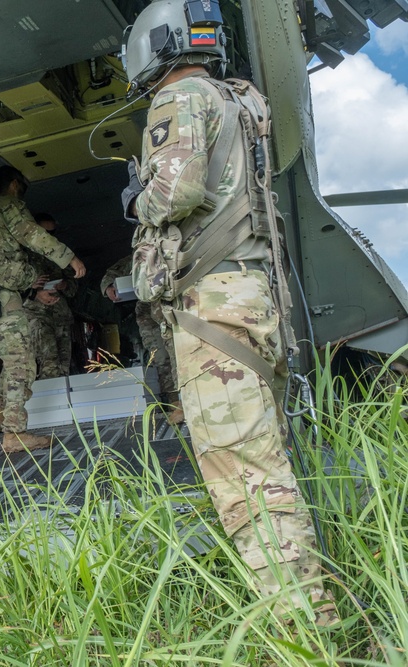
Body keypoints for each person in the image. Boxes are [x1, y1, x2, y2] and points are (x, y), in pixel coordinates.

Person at [121, 0, 338, 625]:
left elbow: (174, 191)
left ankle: (303, 632)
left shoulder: (180, 98)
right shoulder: (243, 102)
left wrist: (136, 199)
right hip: (251, 302)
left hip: (210, 314)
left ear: (152, 46)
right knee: (266, 464)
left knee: (246, 482)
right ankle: (312, 607)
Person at [0, 165, 86, 453]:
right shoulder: (9, 204)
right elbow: (32, 234)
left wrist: (32, 283)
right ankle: (14, 434)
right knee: (22, 361)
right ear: (14, 184)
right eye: (23, 182)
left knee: (19, 357)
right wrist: (68, 258)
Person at [100, 255, 183, 424]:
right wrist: (108, 286)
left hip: (171, 301)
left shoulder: (171, 248)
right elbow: (114, 271)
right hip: (147, 308)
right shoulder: (142, 251)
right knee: (159, 358)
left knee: (177, 350)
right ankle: (174, 402)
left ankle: (186, 400)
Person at [24, 213, 77, 379]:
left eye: (51, 233)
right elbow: (9, 288)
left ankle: (66, 403)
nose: (47, 237)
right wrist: (34, 293)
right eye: (44, 232)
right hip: (37, 316)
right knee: (49, 363)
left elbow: (74, 285)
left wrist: (65, 285)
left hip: (61, 318)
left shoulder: (60, 255)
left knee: (64, 367)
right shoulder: (21, 256)